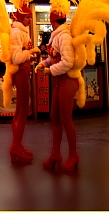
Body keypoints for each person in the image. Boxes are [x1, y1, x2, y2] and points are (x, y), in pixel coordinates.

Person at [39, 9, 78, 171]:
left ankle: (73, 156)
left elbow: (68, 62)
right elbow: (54, 57)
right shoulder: (58, 36)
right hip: (59, 81)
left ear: (53, 22)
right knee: (54, 116)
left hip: (67, 80)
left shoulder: (64, 37)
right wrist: (45, 63)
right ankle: (56, 154)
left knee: (65, 119)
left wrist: (50, 70)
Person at [8, 8, 41, 165]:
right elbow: (16, 58)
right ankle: (15, 147)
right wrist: (29, 54)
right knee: (22, 111)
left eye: (30, 16)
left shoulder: (21, 31)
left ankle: (18, 144)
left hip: (23, 72)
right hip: (20, 73)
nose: (30, 19)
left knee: (20, 110)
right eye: (27, 16)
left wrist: (28, 54)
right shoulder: (16, 33)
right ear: (20, 17)